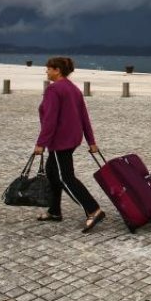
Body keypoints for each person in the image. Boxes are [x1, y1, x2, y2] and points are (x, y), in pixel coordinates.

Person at [33, 56, 105, 233]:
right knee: (52, 173)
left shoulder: (54, 89)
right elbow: (84, 118)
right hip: (72, 139)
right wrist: (91, 141)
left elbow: (50, 120)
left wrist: (41, 144)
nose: (46, 71)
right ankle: (54, 211)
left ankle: (93, 210)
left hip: (60, 141)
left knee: (66, 177)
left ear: (57, 70)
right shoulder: (73, 89)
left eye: (49, 68)